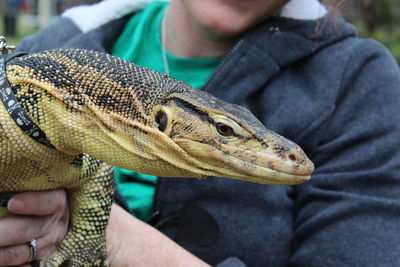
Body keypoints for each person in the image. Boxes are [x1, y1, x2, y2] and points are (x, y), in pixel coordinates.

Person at [1, 0, 400, 266]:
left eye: (225, 130)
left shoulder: (358, 84)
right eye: (226, 131)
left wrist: (110, 235)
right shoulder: (50, 48)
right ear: (160, 119)